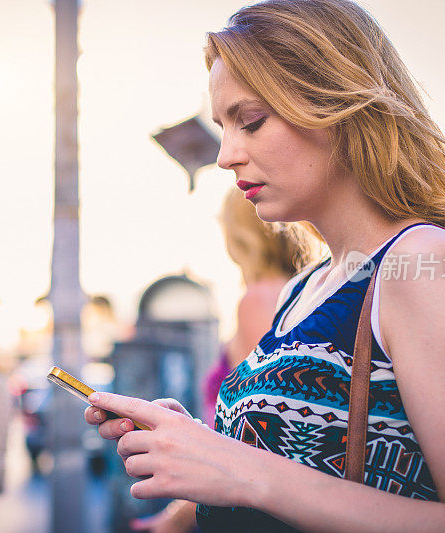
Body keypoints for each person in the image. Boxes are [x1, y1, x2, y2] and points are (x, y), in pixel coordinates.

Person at [85, 1, 445, 531]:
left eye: (250, 121)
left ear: (338, 107)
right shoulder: (304, 287)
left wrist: (238, 467)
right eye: (223, 127)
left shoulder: (422, 262)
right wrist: (203, 444)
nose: (227, 154)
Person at [131, 188, 315, 532]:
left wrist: (177, 518)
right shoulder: (304, 291)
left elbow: (254, 439)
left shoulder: (259, 301)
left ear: (240, 236)